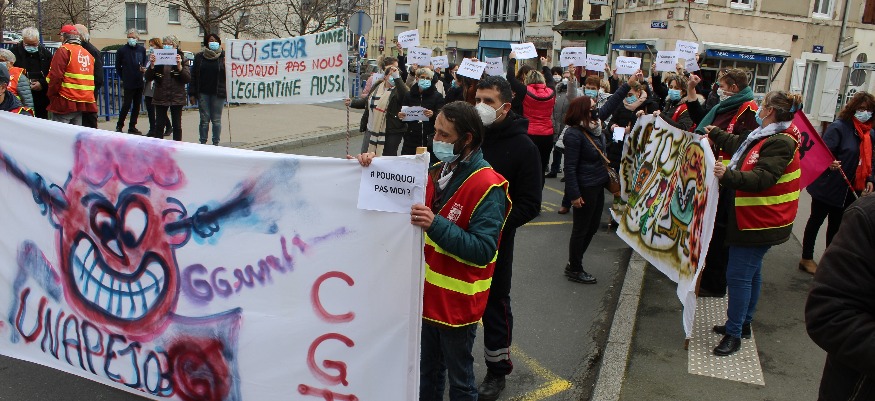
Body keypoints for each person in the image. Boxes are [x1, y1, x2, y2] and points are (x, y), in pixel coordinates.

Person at [353, 101, 510, 401]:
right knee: (428, 376)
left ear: (467, 139)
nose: (436, 140)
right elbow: (388, 195)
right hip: (425, 298)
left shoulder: (488, 186)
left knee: (460, 383)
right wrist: (364, 169)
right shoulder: (434, 171)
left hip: (456, 307)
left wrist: (435, 224)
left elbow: (483, 250)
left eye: (444, 135)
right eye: (435, 131)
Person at [706, 91, 803, 356]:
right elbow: (740, 145)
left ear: (770, 111)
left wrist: (728, 176)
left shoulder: (780, 141)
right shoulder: (767, 134)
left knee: (738, 277)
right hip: (756, 219)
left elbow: (763, 178)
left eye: (762, 105)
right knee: (751, 273)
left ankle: (734, 333)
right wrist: (716, 134)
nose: (758, 108)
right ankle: (743, 323)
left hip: (758, 222)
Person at [473, 75, 543, 401]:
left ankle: (497, 371)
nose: (481, 107)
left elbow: (530, 204)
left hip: (496, 243)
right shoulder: (470, 136)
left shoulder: (524, 148)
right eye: (477, 100)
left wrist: (494, 225)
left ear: (505, 106)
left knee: (495, 305)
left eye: (488, 101)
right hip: (456, 238)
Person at [687, 70, 760, 298]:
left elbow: (745, 144)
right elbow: (702, 118)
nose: (719, 90)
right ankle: (706, 276)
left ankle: (714, 284)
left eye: (722, 86)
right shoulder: (724, 106)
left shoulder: (748, 110)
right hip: (715, 177)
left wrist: (716, 137)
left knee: (719, 233)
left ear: (734, 87)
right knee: (710, 229)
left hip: (727, 181)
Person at [805, 195, 875, 401]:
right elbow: (828, 314)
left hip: (840, 198)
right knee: (817, 220)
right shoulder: (867, 215)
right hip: (856, 389)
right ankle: (806, 256)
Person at [800, 91, 875, 274]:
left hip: (851, 189)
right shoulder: (839, 127)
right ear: (853, 109)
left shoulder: (869, 133)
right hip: (829, 185)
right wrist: (830, 163)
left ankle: (829, 262)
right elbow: (823, 153)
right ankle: (806, 258)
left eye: (868, 110)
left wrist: (870, 179)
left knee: (837, 226)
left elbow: (871, 159)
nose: (864, 113)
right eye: (861, 109)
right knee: (816, 221)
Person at [563, 96, 609, 285]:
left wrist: (626, 87)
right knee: (581, 229)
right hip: (585, 187)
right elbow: (569, 167)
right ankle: (575, 268)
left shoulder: (595, 128)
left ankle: (574, 261)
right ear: (582, 111)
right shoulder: (574, 134)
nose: (596, 110)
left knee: (592, 226)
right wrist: (574, 195)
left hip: (598, 184)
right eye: (592, 108)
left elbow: (611, 105)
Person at [345, 64, 409, 156]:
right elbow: (366, 101)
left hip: (390, 132)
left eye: (395, 75)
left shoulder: (399, 91)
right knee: (366, 156)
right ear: (385, 76)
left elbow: (405, 97)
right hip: (371, 129)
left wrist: (397, 77)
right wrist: (352, 103)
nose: (393, 77)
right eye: (391, 75)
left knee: (385, 158)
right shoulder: (377, 87)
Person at [46, 25, 97, 126]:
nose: (60, 39)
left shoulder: (64, 50)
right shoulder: (87, 53)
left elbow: (56, 76)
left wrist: (51, 94)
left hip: (65, 99)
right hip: (83, 101)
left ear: (64, 36)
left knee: (60, 131)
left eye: (61, 36)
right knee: (75, 131)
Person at [145, 35, 190, 141]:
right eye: (164, 44)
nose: (166, 46)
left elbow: (187, 78)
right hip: (161, 95)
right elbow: (148, 77)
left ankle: (176, 147)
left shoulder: (182, 59)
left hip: (176, 96)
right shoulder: (158, 58)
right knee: (159, 125)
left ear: (175, 46)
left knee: (177, 125)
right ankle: (158, 147)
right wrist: (152, 66)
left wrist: (179, 67)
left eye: (170, 44)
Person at [190, 33, 227, 145]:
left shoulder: (223, 57)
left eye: (215, 41)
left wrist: (226, 66)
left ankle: (215, 142)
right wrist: (192, 93)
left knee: (216, 120)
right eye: (211, 40)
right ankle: (203, 142)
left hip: (218, 93)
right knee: (204, 120)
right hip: (203, 92)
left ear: (219, 43)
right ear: (206, 43)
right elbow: (193, 75)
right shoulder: (199, 57)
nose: (213, 42)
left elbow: (229, 75)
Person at [399, 66, 445, 157]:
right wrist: (401, 116)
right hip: (411, 138)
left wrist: (433, 114)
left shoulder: (437, 96)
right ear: (417, 78)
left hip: (430, 137)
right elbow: (404, 116)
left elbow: (442, 116)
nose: (425, 80)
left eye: (428, 78)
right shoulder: (408, 95)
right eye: (422, 77)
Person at [546, 65, 580, 179]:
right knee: (556, 148)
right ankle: (554, 169)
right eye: (564, 77)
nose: (565, 79)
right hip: (555, 122)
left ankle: (567, 172)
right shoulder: (556, 91)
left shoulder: (574, 92)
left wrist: (572, 77)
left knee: (567, 150)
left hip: (566, 124)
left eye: (568, 77)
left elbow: (572, 94)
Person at [11, 27, 52, 119]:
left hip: (41, 97)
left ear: (38, 41)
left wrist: (42, 83)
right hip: (20, 97)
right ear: (23, 40)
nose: (31, 47)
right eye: (28, 44)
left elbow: (51, 73)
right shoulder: (14, 53)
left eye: (34, 44)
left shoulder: (46, 54)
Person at [115, 28, 147, 134]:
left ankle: (132, 126)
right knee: (127, 104)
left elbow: (144, 62)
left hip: (139, 81)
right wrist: (124, 77)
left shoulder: (141, 50)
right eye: (129, 37)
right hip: (128, 81)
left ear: (137, 38)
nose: (131, 39)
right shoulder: (122, 50)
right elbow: (118, 67)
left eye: (133, 37)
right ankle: (119, 125)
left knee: (137, 105)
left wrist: (143, 70)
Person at [73, 24, 104, 129]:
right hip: (85, 94)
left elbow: (98, 77)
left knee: (88, 122)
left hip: (87, 95)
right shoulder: (84, 49)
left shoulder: (90, 51)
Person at [143, 38, 162, 137]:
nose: (151, 48)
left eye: (152, 45)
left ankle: (155, 129)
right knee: (150, 108)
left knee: (157, 109)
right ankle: (153, 128)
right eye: (150, 45)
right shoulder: (150, 57)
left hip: (155, 85)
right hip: (148, 85)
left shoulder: (161, 57)